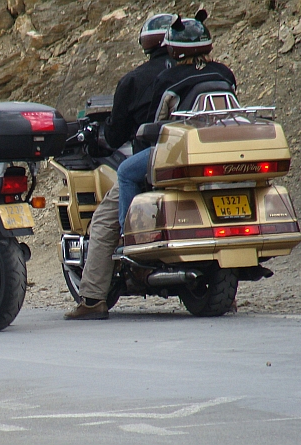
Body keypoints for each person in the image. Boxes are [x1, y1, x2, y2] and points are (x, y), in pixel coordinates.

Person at [64, 13, 175, 320]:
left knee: (102, 222)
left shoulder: (135, 79)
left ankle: (93, 299)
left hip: (152, 162)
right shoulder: (192, 74)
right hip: (192, 159)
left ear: (146, 44)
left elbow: (114, 136)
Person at [117, 10, 236, 231]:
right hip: (225, 148)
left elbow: (155, 123)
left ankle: (130, 235)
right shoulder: (224, 73)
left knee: (125, 172)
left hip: (183, 152)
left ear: (174, 48)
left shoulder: (169, 79)